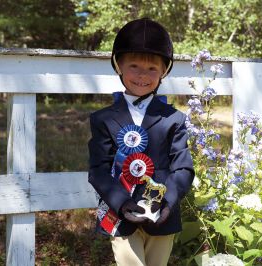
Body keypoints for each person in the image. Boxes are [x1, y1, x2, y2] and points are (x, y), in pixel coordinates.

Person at [88, 18, 194, 266]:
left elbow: (183, 168)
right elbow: (99, 170)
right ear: (119, 66)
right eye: (134, 66)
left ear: (163, 72)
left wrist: (167, 203)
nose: (142, 76)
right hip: (121, 214)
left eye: (152, 69)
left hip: (162, 216)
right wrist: (122, 203)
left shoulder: (174, 119)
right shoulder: (102, 119)